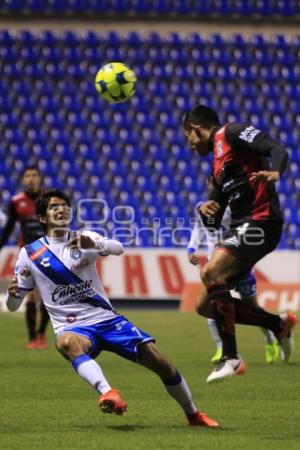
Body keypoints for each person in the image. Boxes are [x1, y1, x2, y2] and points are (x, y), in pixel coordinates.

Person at [6, 189, 219, 427]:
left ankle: (193, 415)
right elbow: (13, 306)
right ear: (43, 218)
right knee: (67, 343)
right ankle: (108, 392)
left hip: (108, 320)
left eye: (65, 205)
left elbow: (118, 248)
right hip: (74, 327)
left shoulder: (83, 236)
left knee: (163, 365)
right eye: (54, 206)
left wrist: (96, 244)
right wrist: (12, 296)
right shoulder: (30, 254)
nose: (61, 209)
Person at [183, 104, 297, 383]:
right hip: (242, 228)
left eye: (188, 137)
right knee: (204, 306)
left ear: (196, 129)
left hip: (262, 221)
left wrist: (277, 172)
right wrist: (207, 211)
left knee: (211, 272)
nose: (189, 144)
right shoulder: (218, 165)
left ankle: (231, 357)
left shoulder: (231, 133)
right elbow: (214, 218)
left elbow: (274, 147)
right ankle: (277, 324)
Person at [187, 199, 279, 364]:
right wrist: (191, 249)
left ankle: (271, 339)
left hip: (237, 264)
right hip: (215, 268)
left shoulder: (236, 208)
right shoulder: (202, 208)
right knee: (212, 306)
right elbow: (198, 227)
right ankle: (221, 347)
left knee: (253, 307)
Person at [0, 166, 50, 349]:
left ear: (39, 178)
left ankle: (42, 333)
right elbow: (9, 228)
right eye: (27, 176)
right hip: (27, 254)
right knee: (31, 296)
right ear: (23, 180)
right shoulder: (16, 201)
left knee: (47, 297)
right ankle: (32, 338)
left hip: (49, 253)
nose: (31, 179)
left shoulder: (48, 199)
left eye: (34, 175)